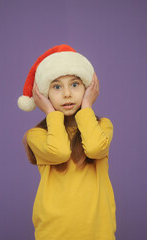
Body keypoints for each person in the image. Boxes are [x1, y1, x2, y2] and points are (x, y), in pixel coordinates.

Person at [17, 44, 116, 240]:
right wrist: (50, 113)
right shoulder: (36, 135)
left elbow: (95, 148)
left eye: (74, 84)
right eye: (56, 87)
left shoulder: (102, 126)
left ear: (88, 88)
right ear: (44, 95)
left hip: (98, 233)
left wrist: (87, 106)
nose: (67, 94)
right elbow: (60, 152)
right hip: (53, 233)